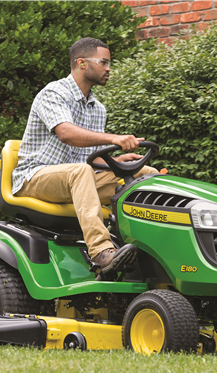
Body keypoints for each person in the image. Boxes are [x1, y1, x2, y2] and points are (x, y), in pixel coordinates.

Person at [12, 37, 157, 277]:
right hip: (34, 177)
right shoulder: (53, 93)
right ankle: (101, 252)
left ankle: (148, 252)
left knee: (145, 175)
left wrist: (117, 163)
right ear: (82, 63)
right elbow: (67, 134)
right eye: (104, 62)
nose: (109, 69)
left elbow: (90, 159)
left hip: (77, 178)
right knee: (80, 172)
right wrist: (113, 139)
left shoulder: (97, 108)